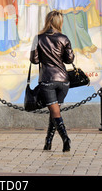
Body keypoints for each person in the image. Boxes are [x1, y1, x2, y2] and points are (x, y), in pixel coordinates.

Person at [30, 10, 75, 152]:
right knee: (54, 112)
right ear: (59, 22)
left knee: (55, 112)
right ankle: (48, 142)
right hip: (63, 81)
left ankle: (65, 138)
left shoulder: (38, 38)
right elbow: (69, 60)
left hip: (48, 79)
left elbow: (34, 60)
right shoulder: (64, 38)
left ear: (47, 20)